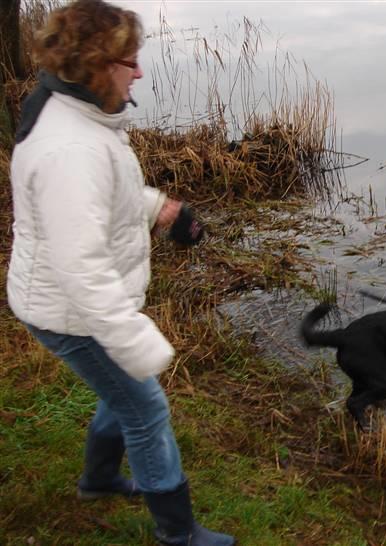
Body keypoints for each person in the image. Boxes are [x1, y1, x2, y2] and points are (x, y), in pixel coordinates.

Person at [6, 1, 234, 544]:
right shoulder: (71, 149)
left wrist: (162, 210)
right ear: (94, 66)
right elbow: (81, 269)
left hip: (69, 303)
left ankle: (100, 479)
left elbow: (105, 195)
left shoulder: (78, 115)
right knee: (145, 408)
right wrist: (138, 344)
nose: (140, 71)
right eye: (129, 61)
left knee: (123, 395)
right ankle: (177, 533)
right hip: (68, 312)